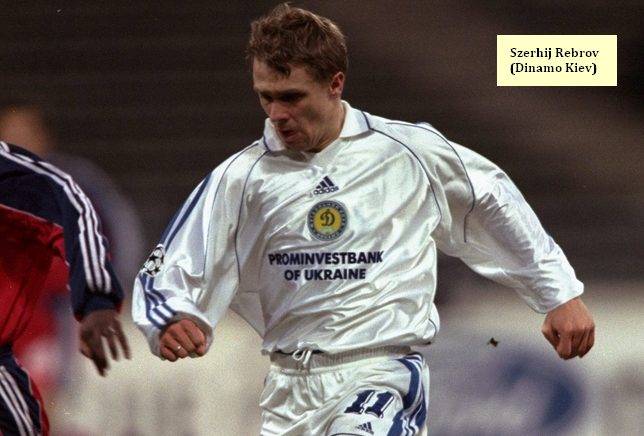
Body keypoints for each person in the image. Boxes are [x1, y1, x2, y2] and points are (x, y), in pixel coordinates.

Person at [132, 4, 595, 435]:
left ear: (335, 84)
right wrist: (170, 317)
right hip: (288, 388)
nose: (277, 114)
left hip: (381, 374)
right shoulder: (242, 176)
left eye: (291, 97)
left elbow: (492, 200)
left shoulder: (409, 152)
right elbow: (173, 262)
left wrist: (557, 292)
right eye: (265, 98)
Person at [0, 99, 144, 400]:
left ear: (44, 138)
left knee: (47, 388)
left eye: (26, 133)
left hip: (58, 311)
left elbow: (120, 231)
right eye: (9, 133)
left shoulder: (76, 183)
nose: (18, 142)